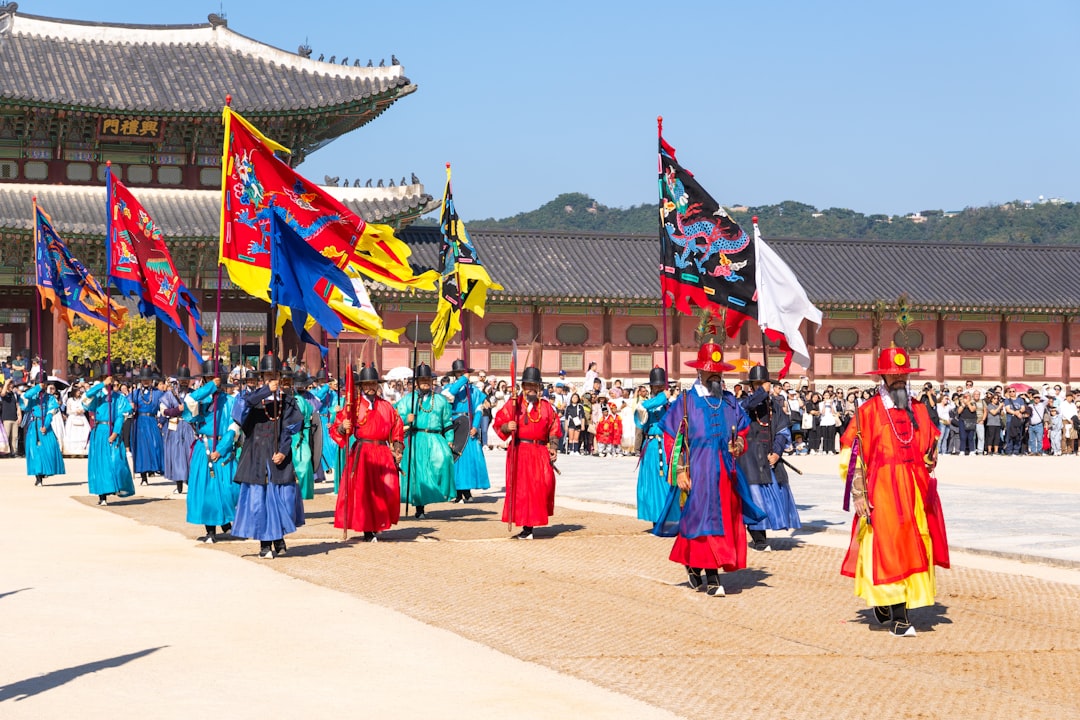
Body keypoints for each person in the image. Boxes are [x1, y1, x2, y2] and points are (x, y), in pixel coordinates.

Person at [839, 347, 949, 637]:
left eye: (904, 376)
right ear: (883, 377)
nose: (899, 380)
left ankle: (895, 605)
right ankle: (900, 616)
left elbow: (929, 447)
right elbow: (852, 455)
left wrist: (931, 456)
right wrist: (859, 492)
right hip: (883, 488)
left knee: (915, 545)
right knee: (888, 545)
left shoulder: (919, 410)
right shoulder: (867, 412)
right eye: (894, 376)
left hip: (914, 488)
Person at [656, 342, 760, 597]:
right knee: (702, 520)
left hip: (726, 473)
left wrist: (739, 445)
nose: (715, 376)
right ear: (699, 373)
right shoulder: (686, 402)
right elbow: (674, 438)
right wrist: (681, 470)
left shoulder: (729, 402)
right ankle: (711, 575)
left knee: (722, 520)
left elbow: (743, 431)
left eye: (718, 372)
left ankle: (693, 563)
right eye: (709, 371)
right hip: (698, 471)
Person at [231, 353, 305, 559]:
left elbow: (290, 428)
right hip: (256, 454)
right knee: (259, 501)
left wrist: (283, 450)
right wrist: (264, 392)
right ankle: (265, 543)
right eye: (267, 375)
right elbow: (238, 414)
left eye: (275, 375)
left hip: (278, 455)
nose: (272, 379)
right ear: (262, 377)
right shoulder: (250, 399)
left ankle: (278, 536)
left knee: (284, 498)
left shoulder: (287, 401)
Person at [332, 366, 404, 542]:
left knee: (387, 488)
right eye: (367, 384)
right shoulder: (353, 406)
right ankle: (368, 528)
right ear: (361, 386)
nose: (370, 387)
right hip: (363, 453)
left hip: (383, 452)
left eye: (373, 383)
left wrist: (397, 448)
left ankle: (379, 523)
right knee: (365, 492)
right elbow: (337, 427)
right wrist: (343, 428)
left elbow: (397, 428)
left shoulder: (386, 406)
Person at [493, 366, 563, 540]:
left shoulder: (546, 407)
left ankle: (532, 522)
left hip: (539, 451)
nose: (530, 389)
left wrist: (553, 447)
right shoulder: (513, 404)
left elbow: (554, 427)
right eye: (527, 385)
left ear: (539, 388)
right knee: (522, 490)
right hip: (519, 451)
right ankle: (527, 527)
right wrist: (506, 427)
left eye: (534, 386)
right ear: (523, 386)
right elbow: (499, 422)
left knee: (541, 486)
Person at [738, 365, 800, 552]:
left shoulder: (774, 405)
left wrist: (777, 452)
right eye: (756, 385)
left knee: (774, 494)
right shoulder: (742, 404)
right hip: (750, 457)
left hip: (771, 456)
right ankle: (758, 538)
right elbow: (744, 411)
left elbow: (782, 430)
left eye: (762, 384)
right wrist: (760, 393)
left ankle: (770, 527)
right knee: (755, 497)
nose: (759, 388)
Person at [183, 360, 240, 543]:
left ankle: (226, 521)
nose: (212, 381)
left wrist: (222, 449)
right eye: (208, 378)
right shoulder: (200, 400)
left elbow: (234, 427)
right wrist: (209, 387)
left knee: (229, 488)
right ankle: (210, 530)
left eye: (215, 379)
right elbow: (188, 401)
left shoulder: (231, 401)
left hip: (224, 448)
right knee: (207, 490)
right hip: (204, 447)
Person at [396, 363, 454, 518]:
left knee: (444, 459)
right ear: (416, 382)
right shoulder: (408, 400)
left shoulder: (441, 401)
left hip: (435, 438)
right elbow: (395, 419)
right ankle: (419, 507)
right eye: (422, 379)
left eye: (428, 379)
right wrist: (406, 419)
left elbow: (448, 422)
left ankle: (440, 492)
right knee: (417, 473)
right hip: (416, 438)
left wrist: (449, 439)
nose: (425, 382)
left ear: (432, 381)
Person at [442, 359, 491, 502]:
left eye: (462, 372)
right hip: (455, 425)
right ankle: (457, 491)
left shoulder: (474, 390)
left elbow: (478, 409)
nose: (460, 374)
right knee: (456, 456)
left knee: (469, 458)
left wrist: (475, 426)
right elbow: (450, 394)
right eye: (458, 373)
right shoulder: (450, 388)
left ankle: (467, 491)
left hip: (469, 424)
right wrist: (463, 380)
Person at [83, 370, 135, 505]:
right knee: (99, 463)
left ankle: (114, 487)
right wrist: (101, 385)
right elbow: (87, 395)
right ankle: (102, 495)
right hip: (98, 431)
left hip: (111, 430)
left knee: (115, 461)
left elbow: (120, 417)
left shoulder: (119, 398)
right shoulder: (98, 395)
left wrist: (115, 433)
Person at [635, 367, 671, 523]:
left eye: (661, 386)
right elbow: (641, 413)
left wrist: (667, 400)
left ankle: (668, 515)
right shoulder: (645, 405)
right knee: (651, 482)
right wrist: (662, 397)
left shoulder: (670, 405)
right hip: (651, 446)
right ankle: (655, 517)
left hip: (667, 444)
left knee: (667, 481)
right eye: (655, 386)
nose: (658, 388)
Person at [19, 371, 66, 486]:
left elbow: (51, 413)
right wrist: (37, 388)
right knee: (35, 451)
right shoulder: (32, 396)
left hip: (45, 425)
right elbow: (25, 397)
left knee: (50, 449)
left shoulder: (50, 398)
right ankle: (38, 475)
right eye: (39, 383)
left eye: (43, 383)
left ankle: (46, 470)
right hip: (33, 425)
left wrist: (46, 425)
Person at [161, 365, 196, 493]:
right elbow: (163, 411)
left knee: (189, 454)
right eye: (182, 379)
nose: (184, 382)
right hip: (175, 426)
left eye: (186, 379)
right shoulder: (170, 395)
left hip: (188, 426)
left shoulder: (193, 394)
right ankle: (179, 483)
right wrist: (176, 410)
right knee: (176, 455)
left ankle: (190, 481)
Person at [131, 366, 165, 486]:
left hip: (152, 420)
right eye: (143, 379)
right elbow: (126, 407)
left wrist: (162, 420)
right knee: (141, 448)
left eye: (148, 379)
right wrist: (131, 407)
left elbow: (165, 406)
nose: (146, 381)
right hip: (139, 421)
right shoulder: (134, 393)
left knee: (155, 445)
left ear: (151, 380)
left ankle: (154, 467)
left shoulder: (158, 393)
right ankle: (143, 475)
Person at [63, 385, 90, 457]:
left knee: (83, 433)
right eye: (77, 391)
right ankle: (72, 451)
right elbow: (68, 411)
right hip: (72, 418)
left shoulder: (82, 399)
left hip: (81, 417)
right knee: (72, 434)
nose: (79, 392)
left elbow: (85, 408)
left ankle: (82, 450)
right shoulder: (70, 400)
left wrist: (82, 411)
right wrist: (75, 412)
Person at [0, 377, 19, 457]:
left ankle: (14, 452)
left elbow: (17, 406)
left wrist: (19, 416)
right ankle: (6, 452)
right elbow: (3, 393)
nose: (11, 386)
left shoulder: (14, 394)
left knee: (15, 436)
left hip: (14, 418)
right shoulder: (4, 394)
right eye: (10, 384)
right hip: (6, 418)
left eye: (12, 384)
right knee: (6, 436)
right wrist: (6, 383)